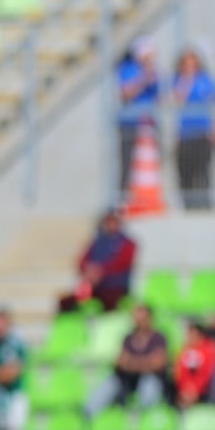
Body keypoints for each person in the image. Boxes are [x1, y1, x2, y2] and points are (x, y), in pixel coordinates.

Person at [87, 303, 172, 414]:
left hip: (151, 378)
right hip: (128, 380)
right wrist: (145, 362)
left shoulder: (159, 338)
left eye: (142, 318)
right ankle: (86, 417)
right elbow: (120, 361)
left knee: (149, 386)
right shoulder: (128, 338)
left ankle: (145, 420)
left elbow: (158, 363)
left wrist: (132, 362)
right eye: (136, 318)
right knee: (109, 383)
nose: (138, 321)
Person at [59, 208, 136, 313]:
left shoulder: (128, 243)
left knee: (110, 305)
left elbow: (122, 263)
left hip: (115, 287)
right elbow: (82, 260)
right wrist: (89, 270)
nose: (112, 224)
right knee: (66, 303)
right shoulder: (97, 242)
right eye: (109, 221)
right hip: (94, 288)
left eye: (114, 221)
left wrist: (100, 271)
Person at [173, 47, 215, 210]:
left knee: (203, 172)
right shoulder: (178, 80)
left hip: (202, 133)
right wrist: (187, 79)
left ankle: (205, 205)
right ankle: (188, 206)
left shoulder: (206, 81)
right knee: (185, 173)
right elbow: (178, 100)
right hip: (185, 135)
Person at [117, 38, 159, 193]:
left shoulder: (154, 71)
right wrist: (143, 79)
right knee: (127, 163)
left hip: (148, 124)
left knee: (148, 165)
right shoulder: (128, 69)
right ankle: (123, 198)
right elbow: (126, 93)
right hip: (130, 124)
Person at [173, 320, 215, 409]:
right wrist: (184, 389)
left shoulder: (208, 350)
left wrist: (195, 389)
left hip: (202, 392)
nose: (191, 337)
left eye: (194, 334)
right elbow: (179, 372)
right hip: (184, 391)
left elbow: (207, 373)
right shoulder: (183, 350)